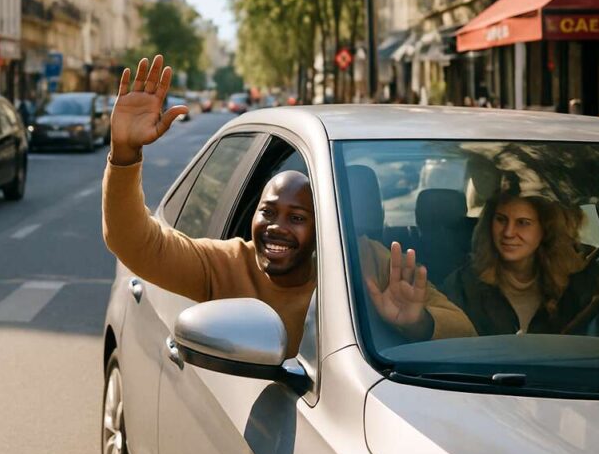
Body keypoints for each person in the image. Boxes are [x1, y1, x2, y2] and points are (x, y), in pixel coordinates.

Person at [102, 55, 476, 358]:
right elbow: (133, 241)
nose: (276, 226)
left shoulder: (372, 264)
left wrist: (417, 324)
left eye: (297, 217)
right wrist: (124, 153)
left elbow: (466, 332)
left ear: (325, 227)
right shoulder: (227, 265)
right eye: (267, 212)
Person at [443, 191, 599, 335]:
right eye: (501, 220)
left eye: (523, 223)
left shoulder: (582, 282)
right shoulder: (463, 284)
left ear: (546, 229)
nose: (508, 232)